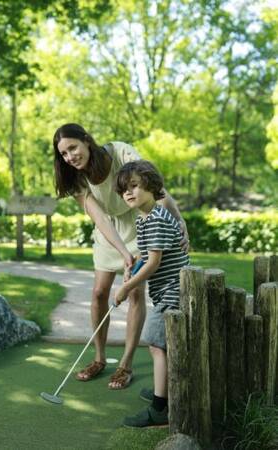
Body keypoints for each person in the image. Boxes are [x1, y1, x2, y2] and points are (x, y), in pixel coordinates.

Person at [53, 123, 188, 390]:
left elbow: (152, 188)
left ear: (87, 141)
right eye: (64, 154)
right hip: (109, 232)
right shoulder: (76, 176)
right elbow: (100, 218)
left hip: (139, 222)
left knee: (135, 293)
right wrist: (124, 253)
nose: (70, 157)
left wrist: (178, 220)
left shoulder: (121, 152)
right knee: (99, 293)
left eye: (72, 148)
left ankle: (125, 364)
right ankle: (99, 358)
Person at [113, 159, 189, 426]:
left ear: (151, 185)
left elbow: (155, 262)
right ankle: (164, 393)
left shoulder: (155, 218)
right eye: (124, 190)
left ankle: (159, 409)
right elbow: (148, 256)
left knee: (157, 346)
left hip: (172, 291)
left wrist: (126, 287)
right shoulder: (145, 218)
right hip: (166, 289)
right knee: (160, 345)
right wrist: (133, 264)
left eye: (134, 185)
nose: (129, 193)